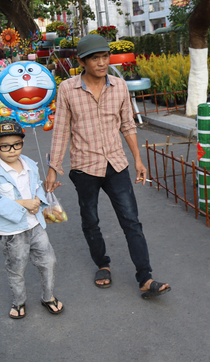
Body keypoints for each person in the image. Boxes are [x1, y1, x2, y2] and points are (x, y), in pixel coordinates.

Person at [45, 34, 170, 299]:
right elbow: (61, 131)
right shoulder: (68, 89)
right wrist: (53, 169)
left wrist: (137, 159)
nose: (101, 63)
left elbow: (127, 125)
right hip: (84, 167)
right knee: (90, 221)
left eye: (104, 57)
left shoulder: (119, 86)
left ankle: (145, 278)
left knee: (131, 221)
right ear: (82, 61)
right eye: (95, 58)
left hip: (116, 164)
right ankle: (103, 263)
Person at [0, 120, 64, 319]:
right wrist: (23, 204)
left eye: (17, 144)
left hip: (36, 225)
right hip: (12, 231)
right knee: (17, 267)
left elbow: (36, 188)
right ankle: (18, 302)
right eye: (5, 146)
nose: (12, 150)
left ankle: (48, 297)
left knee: (48, 261)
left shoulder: (29, 164)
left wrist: (41, 197)